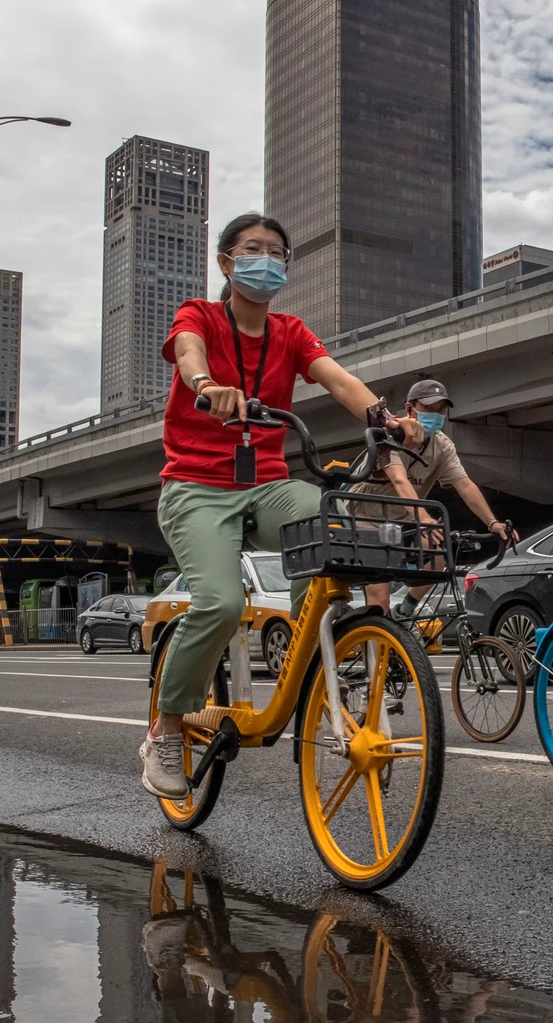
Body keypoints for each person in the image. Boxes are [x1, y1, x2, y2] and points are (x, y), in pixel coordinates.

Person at [142, 212, 423, 800]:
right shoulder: (199, 315)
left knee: (324, 518)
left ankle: (315, 666)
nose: (265, 259)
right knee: (220, 604)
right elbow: (189, 352)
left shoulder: (290, 332)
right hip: (196, 486)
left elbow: (339, 380)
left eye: (277, 252)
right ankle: (167, 728)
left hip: (267, 482)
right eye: (252, 249)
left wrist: (385, 419)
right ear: (226, 261)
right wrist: (205, 387)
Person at [349, 378, 515, 617]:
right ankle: (375, 650)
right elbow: (399, 480)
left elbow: (465, 485)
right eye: (429, 408)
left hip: (403, 520)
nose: (436, 415)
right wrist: (424, 518)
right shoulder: (388, 436)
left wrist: (492, 522)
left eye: (441, 410)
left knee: (439, 560)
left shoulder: (442, 446)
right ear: (409, 409)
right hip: (365, 519)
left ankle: (404, 611)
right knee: (379, 599)